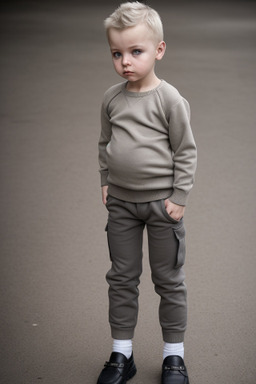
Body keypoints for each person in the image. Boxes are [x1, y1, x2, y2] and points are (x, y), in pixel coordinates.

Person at [97, 2, 197, 383]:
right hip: (121, 204)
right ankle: (121, 354)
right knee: (121, 278)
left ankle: (174, 357)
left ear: (159, 50)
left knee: (169, 279)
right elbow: (105, 142)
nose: (125, 61)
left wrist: (179, 197)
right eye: (117, 53)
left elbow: (185, 150)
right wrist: (105, 180)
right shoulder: (111, 98)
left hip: (161, 206)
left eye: (135, 51)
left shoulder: (169, 99)